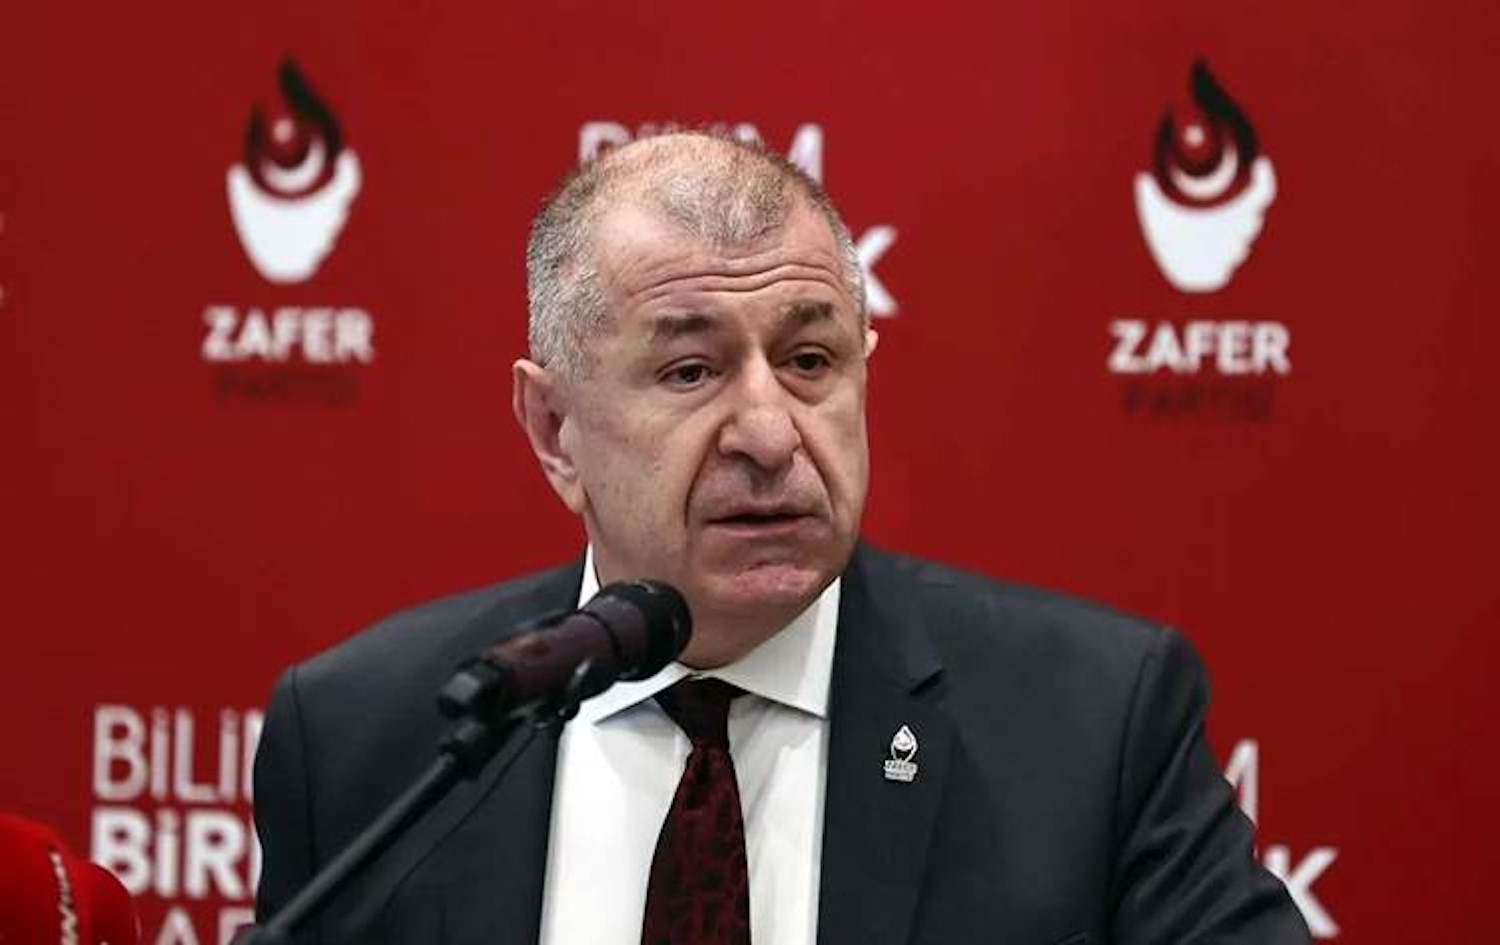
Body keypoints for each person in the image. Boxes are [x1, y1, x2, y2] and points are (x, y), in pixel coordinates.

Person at [253, 132, 1311, 944]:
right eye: (690, 371)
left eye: (810, 362)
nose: (769, 434)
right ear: (554, 428)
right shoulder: (373, 738)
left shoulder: (1092, 722)